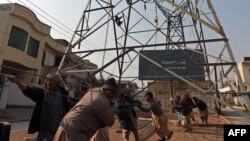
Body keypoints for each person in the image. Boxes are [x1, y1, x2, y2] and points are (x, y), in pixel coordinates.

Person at [7, 74, 70, 141]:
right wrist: (17, 82)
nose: (49, 82)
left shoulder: (62, 92)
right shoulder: (41, 92)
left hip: (59, 127)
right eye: (47, 80)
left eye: (52, 80)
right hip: (45, 128)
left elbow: (68, 104)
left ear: (57, 83)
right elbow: (28, 90)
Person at [53, 78, 118, 141]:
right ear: (107, 90)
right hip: (75, 132)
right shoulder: (102, 101)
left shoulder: (93, 92)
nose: (113, 95)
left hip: (65, 125)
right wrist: (110, 106)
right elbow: (110, 122)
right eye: (113, 92)